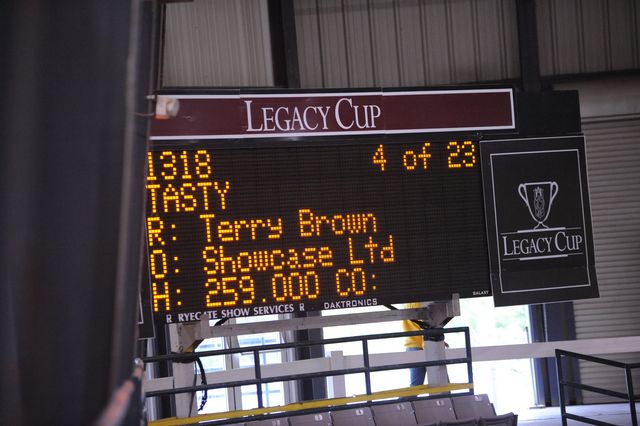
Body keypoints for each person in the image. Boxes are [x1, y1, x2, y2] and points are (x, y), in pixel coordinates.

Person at [403, 302, 427, 387]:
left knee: (416, 385)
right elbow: (426, 326)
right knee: (442, 381)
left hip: (411, 346)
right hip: (422, 346)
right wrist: (433, 344)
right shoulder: (421, 304)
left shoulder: (407, 303)